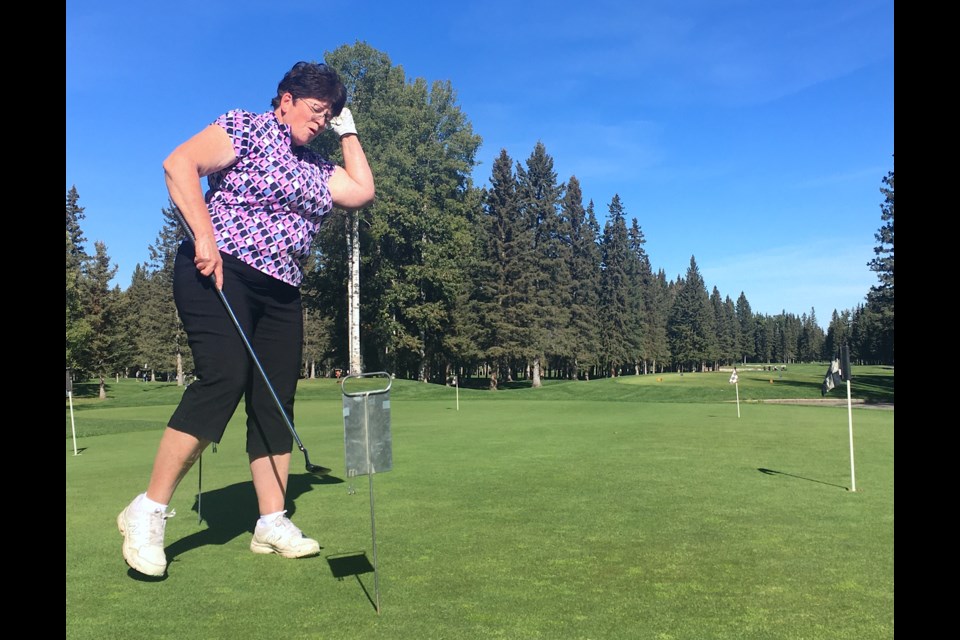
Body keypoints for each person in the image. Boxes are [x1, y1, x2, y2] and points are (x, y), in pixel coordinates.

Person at [117, 61, 375, 577]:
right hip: (218, 269)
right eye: (318, 109)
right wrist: (205, 235)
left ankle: (271, 521)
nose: (322, 120)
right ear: (285, 98)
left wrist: (350, 132)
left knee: (275, 402)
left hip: (282, 290)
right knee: (224, 377)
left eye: (331, 114)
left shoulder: (318, 168)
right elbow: (179, 164)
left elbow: (361, 191)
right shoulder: (246, 127)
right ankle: (146, 512)